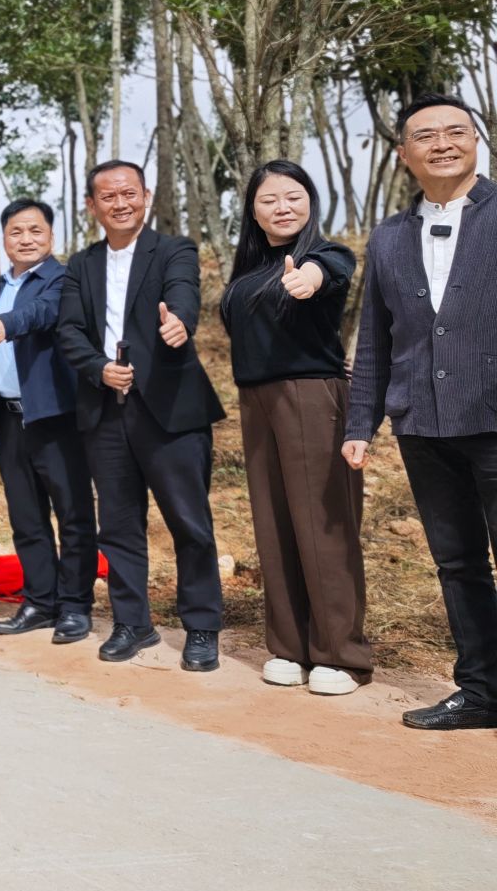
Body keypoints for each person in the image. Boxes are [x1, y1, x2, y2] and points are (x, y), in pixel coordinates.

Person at [346, 94, 497, 730]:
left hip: (492, 416)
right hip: (423, 423)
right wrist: (360, 423)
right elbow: (375, 341)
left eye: (456, 131)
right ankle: (482, 692)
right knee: (457, 562)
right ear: (403, 154)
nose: (442, 144)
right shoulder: (388, 237)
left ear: (477, 141)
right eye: (426, 135)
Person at [58, 160, 226, 670]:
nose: (120, 203)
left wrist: (180, 323)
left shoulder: (174, 250)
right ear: (92, 206)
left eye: (129, 193)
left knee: (189, 523)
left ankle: (202, 627)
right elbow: (69, 331)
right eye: (108, 196)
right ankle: (133, 622)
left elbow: (183, 294)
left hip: (170, 409)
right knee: (118, 525)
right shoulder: (81, 265)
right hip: (106, 410)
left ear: (146, 196)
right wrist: (99, 368)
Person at [219, 160, 368, 696]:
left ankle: (341, 654)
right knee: (274, 523)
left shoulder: (327, 254)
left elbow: (327, 275)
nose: (282, 207)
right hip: (257, 401)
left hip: (308, 396)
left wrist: (307, 280)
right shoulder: (248, 270)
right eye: (269, 199)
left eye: (293, 196)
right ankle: (289, 646)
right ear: (253, 211)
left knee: (323, 525)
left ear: (310, 201)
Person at [0, 198, 99, 643]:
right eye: (16, 232)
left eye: (35, 230)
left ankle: (75, 605)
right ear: (3, 239)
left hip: (56, 417)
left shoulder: (64, 281)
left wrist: (7, 323)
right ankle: (41, 601)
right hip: (7, 420)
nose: (26, 239)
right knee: (26, 517)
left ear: (51, 236)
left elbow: (42, 313)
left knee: (73, 514)